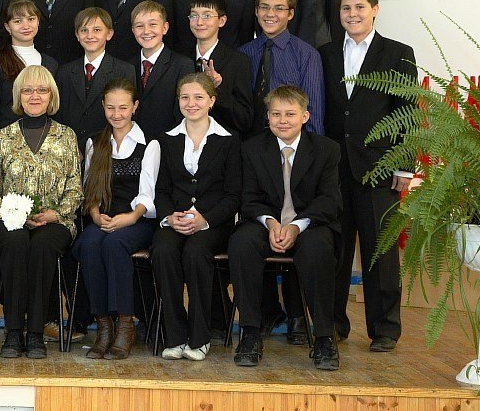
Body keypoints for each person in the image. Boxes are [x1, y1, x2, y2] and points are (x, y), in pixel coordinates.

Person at [320, 0, 417, 351]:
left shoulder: (398, 54)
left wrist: (403, 167)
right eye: (346, 8)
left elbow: (407, 114)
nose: (353, 14)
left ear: (375, 9)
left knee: (381, 252)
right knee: (335, 251)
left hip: (380, 169)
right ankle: (333, 324)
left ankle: (385, 329)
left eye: (359, 7)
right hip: (334, 169)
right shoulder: (326, 53)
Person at [229, 85, 342, 371]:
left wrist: (296, 227)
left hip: (309, 223)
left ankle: (324, 338)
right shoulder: (252, 148)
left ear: (305, 116)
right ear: (267, 117)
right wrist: (271, 223)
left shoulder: (326, 150)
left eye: (290, 114)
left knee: (318, 248)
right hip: (267, 222)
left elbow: (329, 201)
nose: (283, 121)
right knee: (242, 243)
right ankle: (250, 332)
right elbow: (248, 199)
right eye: (276, 114)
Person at [0, 66, 83, 359]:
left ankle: (36, 332)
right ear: (18, 96)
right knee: (15, 243)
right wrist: (13, 214)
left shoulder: (66, 136)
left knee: (41, 245)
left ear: (51, 95)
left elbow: (75, 189)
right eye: (27, 90)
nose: (34, 96)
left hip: (55, 220)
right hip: (8, 220)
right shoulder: (1, 137)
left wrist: (55, 214)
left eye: (42, 90)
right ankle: (14, 332)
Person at [150, 73, 241, 361]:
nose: (191, 103)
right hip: (176, 220)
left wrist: (205, 220)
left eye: (199, 97)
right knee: (163, 249)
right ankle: (175, 336)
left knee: (196, 252)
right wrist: (169, 217)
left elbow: (233, 196)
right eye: (185, 97)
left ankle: (200, 337)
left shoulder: (229, 141)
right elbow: (161, 190)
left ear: (212, 101)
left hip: (213, 224)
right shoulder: (166, 139)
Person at [74, 78, 159, 360]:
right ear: (103, 107)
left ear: (135, 107)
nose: (117, 114)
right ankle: (104, 326)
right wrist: (96, 215)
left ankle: (125, 325)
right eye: (111, 107)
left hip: (137, 221)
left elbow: (148, 194)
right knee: (88, 244)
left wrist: (129, 218)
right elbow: (90, 190)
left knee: (114, 244)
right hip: (103, 217)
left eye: (123, 107)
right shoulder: (95, 142)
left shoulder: (149, 144)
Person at [240, 0, 325, 138]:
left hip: (290, 140)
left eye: (279, 8)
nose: (270, 14)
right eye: (264, 7)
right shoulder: (243, 53)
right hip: (249, 141)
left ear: (290, 14)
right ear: (256, 11)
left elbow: (313, 110)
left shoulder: (306, 54)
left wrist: (313, 148)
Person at [54, 7, 134, 153]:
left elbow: (127, 114)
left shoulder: (124, 70)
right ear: (77, 35)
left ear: (109, 34)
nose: (90, 36)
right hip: (69, 149)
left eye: (97, 30)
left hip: (107, 149)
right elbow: (59, 114)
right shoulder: (64, 72)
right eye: (84, 30)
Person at [0, 0, 59, 138]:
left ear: (38, 22)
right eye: (18, 21)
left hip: (45, 140)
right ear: (7, 27)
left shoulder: (50, 64)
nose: (26, 26)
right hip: (8, 141)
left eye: (31, 19)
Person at [187, 0, 253, 137]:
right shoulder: (181, 59)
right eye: (194, 16)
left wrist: (218, 89)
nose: (199, 22)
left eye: (207, 16)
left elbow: (244, 120)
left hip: (224, 143)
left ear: (221, 21)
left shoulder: (238, 61)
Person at [129, 0, 189, 138]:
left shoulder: (182, 65)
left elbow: (182, 112)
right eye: (139, 26)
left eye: (153, 24)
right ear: (133, 30)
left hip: (167, 142)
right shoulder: (127, 66)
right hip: (132, 142)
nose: (146, 31)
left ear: (165, 28)